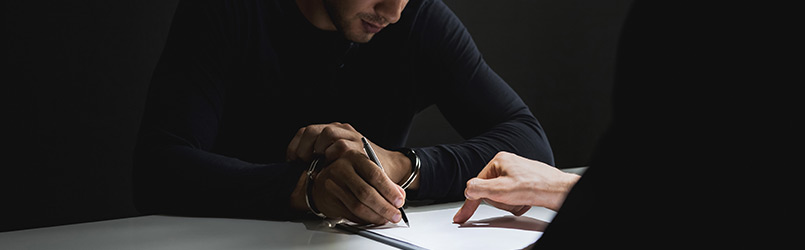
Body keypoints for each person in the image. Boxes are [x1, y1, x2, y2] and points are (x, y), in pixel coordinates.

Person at [134, 0, 554, 225]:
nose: (393, 12)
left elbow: (529, 144)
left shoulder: (418, 18)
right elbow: (159, 168)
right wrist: (310, 189)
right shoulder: (229, 10)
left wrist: (399, 165)